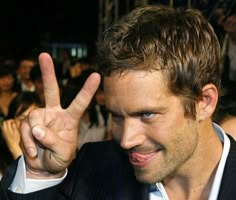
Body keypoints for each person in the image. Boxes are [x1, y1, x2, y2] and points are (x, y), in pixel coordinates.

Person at [0, 4, 235, 200]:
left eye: (147, 115)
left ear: (204, 102)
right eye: (117, 116)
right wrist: (41, 175)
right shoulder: (94, 168)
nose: (125, 140)